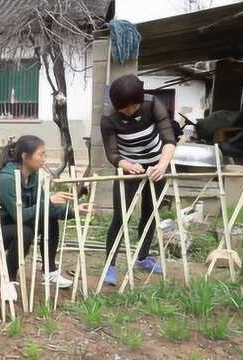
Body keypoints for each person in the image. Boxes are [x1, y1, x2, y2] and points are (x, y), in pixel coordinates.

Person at [0, 136, 89, 289]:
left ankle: (49, 271)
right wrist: (48, 202)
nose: (44, 159)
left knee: (49, 218)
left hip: (8, 224)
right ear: (25, 157)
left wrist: (73, 211)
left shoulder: (32, 176)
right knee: (24, 232)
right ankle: (9, 280)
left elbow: (44, 206)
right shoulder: (7, 179)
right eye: (41, 154)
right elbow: (21, 216)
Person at [100, 74, 176, 286]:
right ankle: (110, 266)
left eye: (133, 106)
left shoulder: (152, 104)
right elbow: (112, 154)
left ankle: (142, 258)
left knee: (150, 213)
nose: (129, 111)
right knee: (120, 217)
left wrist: (162, 165)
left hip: (156, 167)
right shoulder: (108, 117)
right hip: (129, 169)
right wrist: (126, 165)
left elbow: (169, 139)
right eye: (124, 108)